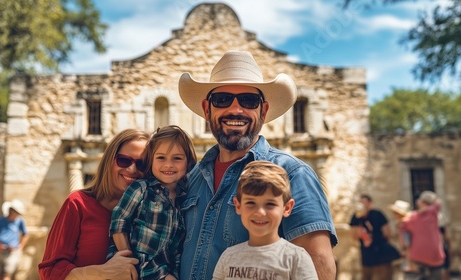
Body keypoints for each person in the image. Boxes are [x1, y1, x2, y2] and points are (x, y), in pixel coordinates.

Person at [178, 50, 337, 280]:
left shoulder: (292, 174)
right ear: (206, 109)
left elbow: (319, 266)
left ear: (263, 111)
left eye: (248, 100)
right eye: (222, 99)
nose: (235, 109)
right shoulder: (191, 178)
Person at [38, 129, 149, 280]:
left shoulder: (155, 211)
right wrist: (102, 272)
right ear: (109, 160)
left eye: (142, 164)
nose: (132, 169)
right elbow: (50, 272)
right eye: (124, 160)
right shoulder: (78, 204)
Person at [108, 125, 197, 280]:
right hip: (136, 267)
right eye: (161, 157)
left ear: (188, 162)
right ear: (151, 160)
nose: (168, 164)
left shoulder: (186, 198)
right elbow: (119, 221)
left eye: (177, 158)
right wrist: (128, 260)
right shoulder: (141, 188)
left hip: (165, 270)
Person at [213, 161, 318, 280]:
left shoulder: (296, 258)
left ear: (287, 207)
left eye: (270, 204)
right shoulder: (228, 256)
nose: (260, 212)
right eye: (251, 203)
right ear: (238, 205)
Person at [349, 194, 401, 280]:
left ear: (370, 203)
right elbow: (354, 235)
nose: (362, 205)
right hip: (366, 256)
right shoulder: (356, 217)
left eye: (364, 202)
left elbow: (387, 233)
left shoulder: (377, 214)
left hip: (381, 254)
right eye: (360, 202)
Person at [401, 191, 445, 280]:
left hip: (418, 257)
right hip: (434, 257)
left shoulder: (412, 218)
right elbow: (438, 202)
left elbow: (404, 234)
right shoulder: (433, 213)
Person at [0, 199, 28, 280]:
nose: (13, 213)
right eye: (12, 210)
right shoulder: (0, 221)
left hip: (12, 252)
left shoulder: (20, 222)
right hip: (0, 251)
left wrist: (20, 247)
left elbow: (26, 234)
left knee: (7, 274)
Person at [389, 200, 417, 273]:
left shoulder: (405, 226)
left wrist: (409, 262)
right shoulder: (402, 225)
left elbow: (408, 244)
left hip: (411, 258)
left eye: (395, 213)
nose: (394, 215)